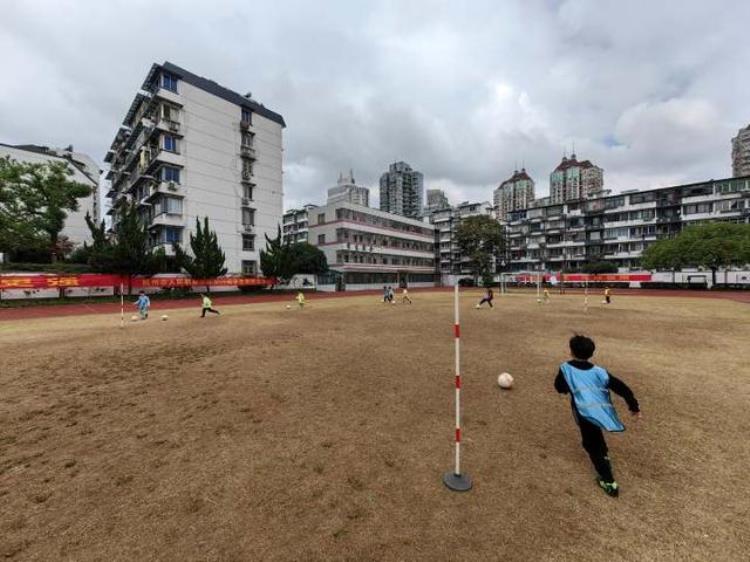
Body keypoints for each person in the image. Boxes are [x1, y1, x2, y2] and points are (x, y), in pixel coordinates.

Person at [554, 335, 641, 497]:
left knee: (590, 444)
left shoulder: (565, 368)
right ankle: (604, 454)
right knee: (596, 437)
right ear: (591, 354)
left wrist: (566, 388)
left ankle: (609, 482)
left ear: (571, 351)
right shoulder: (600, 371)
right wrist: (633, 405)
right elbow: (621, 387)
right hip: (602, 411)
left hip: (584, 412)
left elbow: (559, 387)